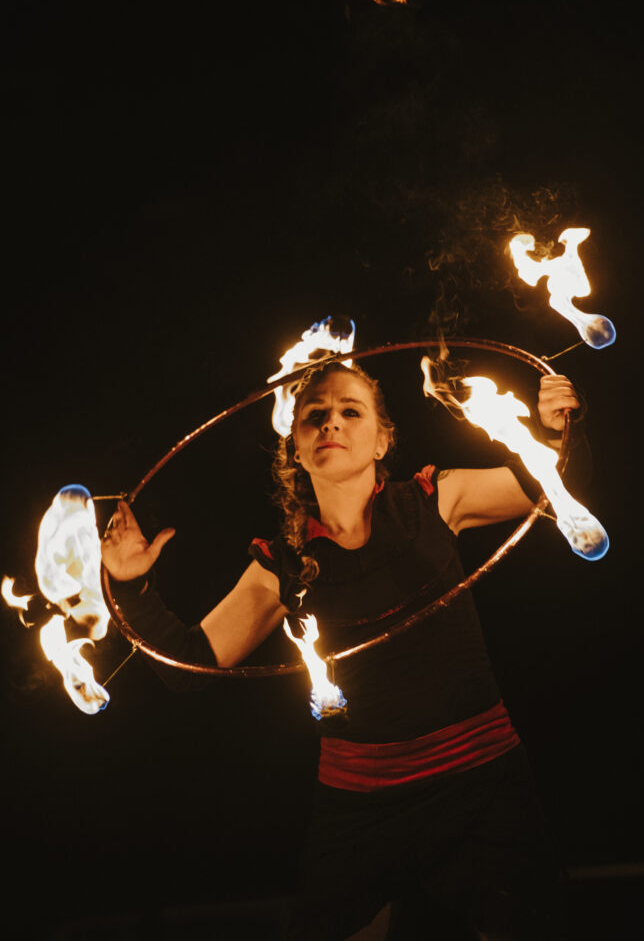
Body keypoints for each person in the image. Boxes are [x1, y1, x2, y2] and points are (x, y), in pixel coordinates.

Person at [102, 362, 582, 940]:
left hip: (483, 780)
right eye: (315, 415)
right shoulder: (281, 563)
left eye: (350, 411)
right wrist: (131, 586)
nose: (331, 422)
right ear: (296, 447)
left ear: (382, 439)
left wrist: (557, 428)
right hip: (362, 805)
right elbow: (191, 666)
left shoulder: (438, 497)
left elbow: (551, 485)